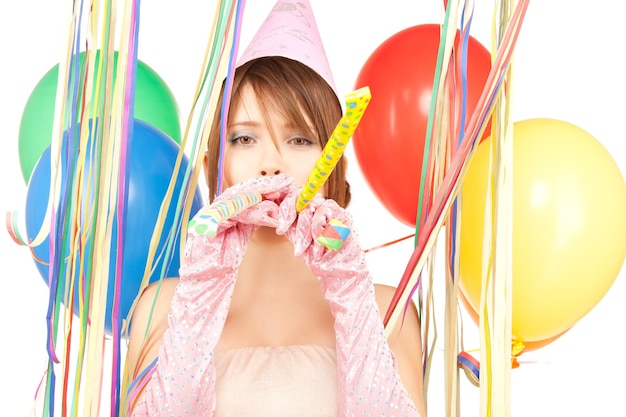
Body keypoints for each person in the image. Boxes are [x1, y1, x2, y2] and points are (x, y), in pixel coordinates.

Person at [124, 1, 426, 416]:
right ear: (214, 166)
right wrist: (203, 290)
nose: (270, 163)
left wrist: (350, 294)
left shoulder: (389, 312)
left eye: (299, 139)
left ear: (333, 165)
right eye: (244, 139)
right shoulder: (163, 307)